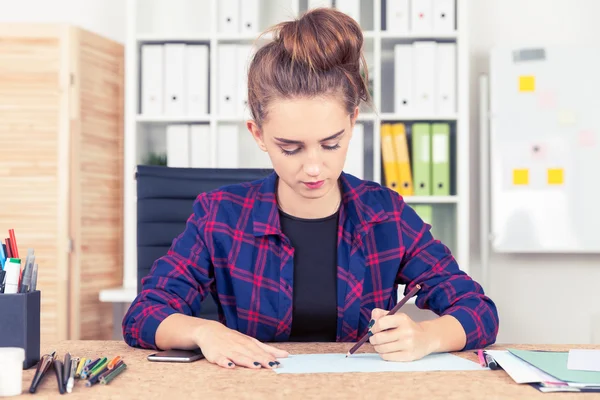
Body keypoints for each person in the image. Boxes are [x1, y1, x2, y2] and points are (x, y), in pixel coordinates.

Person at [122, 7, 499, 370]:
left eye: (331, 144)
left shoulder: (386, 214)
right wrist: (204, 331)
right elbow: (143, 314)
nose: (314, 167)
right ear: (259, 134)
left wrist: (426, 336)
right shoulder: (220, 215)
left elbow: (478, 310)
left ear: (352, 122)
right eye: (291, 148)